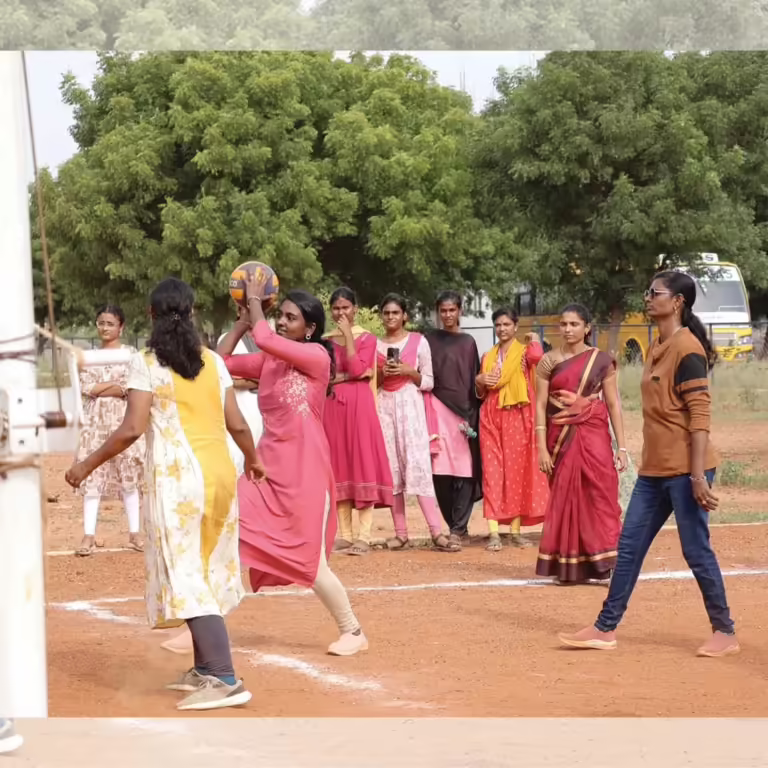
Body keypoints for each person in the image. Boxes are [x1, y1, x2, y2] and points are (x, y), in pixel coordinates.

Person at [65, 278, 259, 711]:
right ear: (190, 314)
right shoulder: (212, 360)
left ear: (151, 316)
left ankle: (224, 676)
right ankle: (207, 667)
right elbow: (238, 424)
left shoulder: (146, 362)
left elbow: (132, 428)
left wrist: (85, 465)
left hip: (178, 481)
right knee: (205, 565)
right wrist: (255, 459)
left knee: (186, 570)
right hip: (221, 475)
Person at [559, 271, 740, 657]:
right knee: (629, 546)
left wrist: (696, 476)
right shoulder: (657, 344)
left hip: (686, 469)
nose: (647, 297)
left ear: (677, 302)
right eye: (648, 292)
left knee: (695, 550)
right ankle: (605, 628)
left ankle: (724, 631)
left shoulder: (688, 349)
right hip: (654, 470)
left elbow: (700, 416)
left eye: (655, 293)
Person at [217, 275, 369, 657]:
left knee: (310, 562)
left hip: (305, 472)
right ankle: (205, 627)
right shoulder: (269, 360)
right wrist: (241, 319)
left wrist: (256, 304)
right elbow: (221, 361)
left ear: (310, 329)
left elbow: (266, 337)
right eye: (279, 315)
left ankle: (352, 631)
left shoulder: (318, 357)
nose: (282, 322)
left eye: (291, 317)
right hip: (266, 471)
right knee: (229, 532)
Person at [160, 316, 265, 657]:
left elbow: (131, 428)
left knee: (192, 561)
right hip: (225, 462)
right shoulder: (214, 361)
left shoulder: (153, 362)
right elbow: (236, 417)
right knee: (206, 556)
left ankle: (219, 670)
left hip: (189, 474)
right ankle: (205, 659)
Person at [534, 304, 628, 584]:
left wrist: (621, 447)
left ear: (587, 327)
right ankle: (569, 568)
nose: (568, 329)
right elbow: (539, 406)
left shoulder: (601, 361)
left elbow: (612, 404)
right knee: (566, 498)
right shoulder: (548, 362)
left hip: (594, 435)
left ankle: (606, 564)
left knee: (600, 494)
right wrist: (540, 447)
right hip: (559, 438)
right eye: (563, 324)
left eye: (574, 324)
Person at [376, 293, 459, 552]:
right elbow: (371, 384)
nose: (391, 317)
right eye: (387, 313)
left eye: (395, 313)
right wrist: (382, 373)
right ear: (382, 316)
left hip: (411, 406)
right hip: (384, 407)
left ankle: (437, 532)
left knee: (418, 465)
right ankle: (400, 533)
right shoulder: (375, 345)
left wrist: (409, 372)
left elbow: (429, 382)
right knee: (392, 467)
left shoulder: (418, 341)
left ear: (405, 316)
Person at [323, 287, 394, 556]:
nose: (341, 313)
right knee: (339, 466)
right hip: (333, 408)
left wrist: (348, 340)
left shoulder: (367, 338)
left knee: (362, 463)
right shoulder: (324, 341)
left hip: (360, 408)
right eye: (337, 308)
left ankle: (364, 537)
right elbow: (327, 376)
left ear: (355, 309)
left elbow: (355, 368)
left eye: (346, 308)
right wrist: (347, 377)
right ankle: (346, 535)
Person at [73, 304, 145, 556]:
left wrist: (104, 387)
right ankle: (89, 536)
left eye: (110, 323)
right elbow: (87, 387)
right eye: (101, 323)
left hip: (124, 419)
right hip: (96, 422)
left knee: (129, 475)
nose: (105, 328)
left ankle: (135, 534)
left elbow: (130, 387)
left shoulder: (131, 355)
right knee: (93, 473)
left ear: (121, 327)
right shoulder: (90, 357)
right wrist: (113, 386)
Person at [475, 308, 549, 551]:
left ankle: (515, 531)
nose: (502, 329)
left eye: (507, 324)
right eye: (498, 324)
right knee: (493, 471)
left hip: (518, 415)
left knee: (516, 471)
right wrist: (480, 381)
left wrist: (535, 340)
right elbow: (481, 391)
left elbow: (539, 359)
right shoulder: (488, 355)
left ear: (515, 327)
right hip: (491, 415)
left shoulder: (524, 352)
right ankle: (494, 531)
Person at [424, 290, 483, 548]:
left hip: (464, 412)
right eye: (443, 310)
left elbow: (473, 379)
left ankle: (459, 527)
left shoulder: (468, 342)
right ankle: (452, 524)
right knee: (440, 469)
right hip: (437, 409)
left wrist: (472, 412)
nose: (448, 315)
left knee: (465, 469)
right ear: (439, 312)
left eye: (452, 310)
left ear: (460, 310)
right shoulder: (429, 339)